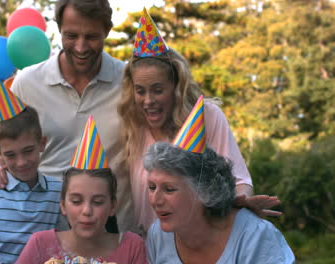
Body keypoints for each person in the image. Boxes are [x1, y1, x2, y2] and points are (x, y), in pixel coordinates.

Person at [117, 10, 280, 234]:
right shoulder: (131, 124)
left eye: (157, 90)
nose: (148, 101)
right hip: (149, 248)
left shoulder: (207, 116)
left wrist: (243, 203)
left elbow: (239, 180)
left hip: (202, 241)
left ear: (176, 86)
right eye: (140, 91)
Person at [0, 0, 136, 233]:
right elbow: (6, 149)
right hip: (41, 237)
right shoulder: (27, 82)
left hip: (115, 238)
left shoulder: (130, 82)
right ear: (58, 29)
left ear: (107, 30)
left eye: (92, 37)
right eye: (71, 35)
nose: (81, 47)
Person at [144, 142, 295, 263]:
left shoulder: (254, 237)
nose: (155, 200)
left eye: (169, 189)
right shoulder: (157, 236)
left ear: (205, 192)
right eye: (152, 187)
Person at [0, 106, 66, 263]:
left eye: (28, 151)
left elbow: (65, 241)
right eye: (10, 155)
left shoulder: (57, 191)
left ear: (42, 143)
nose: (21, 162)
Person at [15, 168, 148, 264]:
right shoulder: (41, 244)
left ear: (112, 207)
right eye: (76, 201)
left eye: (98, 202)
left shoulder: (131, 246)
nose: (86, 211)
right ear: (63, 205)